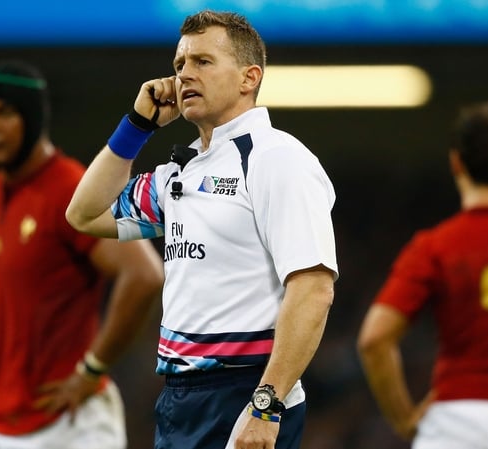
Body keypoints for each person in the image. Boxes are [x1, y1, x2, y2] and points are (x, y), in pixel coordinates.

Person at [65, 10, 339, 449]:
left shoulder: (276, 158)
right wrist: (137, 127)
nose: (184, 75)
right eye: (179, 65)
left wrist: (267, 404)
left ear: (249, 78)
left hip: (246, 392)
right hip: (180, 398)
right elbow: (84, 214)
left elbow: (313, 288)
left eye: (203, 62)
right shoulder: (182, 170)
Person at [0, 60, 164, 449]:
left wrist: (92, 369)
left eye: (5, 113)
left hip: (66, 422)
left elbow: (145, 275)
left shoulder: (67, 186)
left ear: (32, 119)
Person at [357, 101, 488, 447]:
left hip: (458, 421)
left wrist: (404, 419)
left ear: (456, 163)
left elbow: (374, 339)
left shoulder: (435, 247)